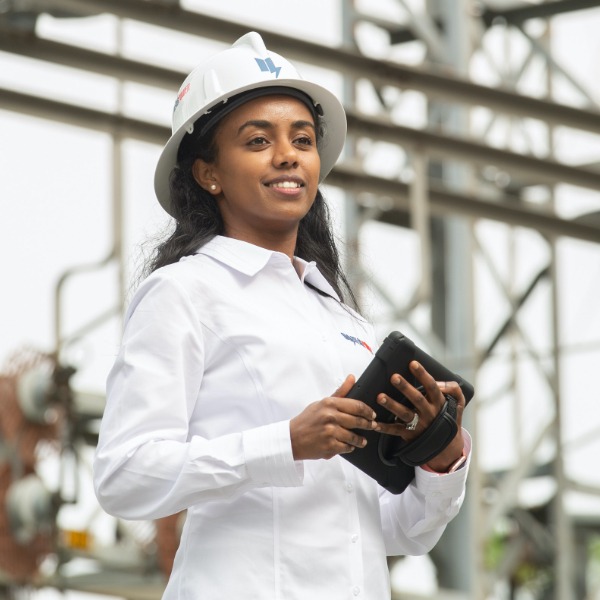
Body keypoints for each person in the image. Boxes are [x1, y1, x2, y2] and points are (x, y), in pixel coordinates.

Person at [93, 32, 471, 600]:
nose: (288, 154)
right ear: (207, 173)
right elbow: (124, 476)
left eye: (302, 138)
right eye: (257, 140)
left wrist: (440, 454)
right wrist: (285, 443)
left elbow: (395, 529)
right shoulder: (184, 292)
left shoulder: (344, 324)